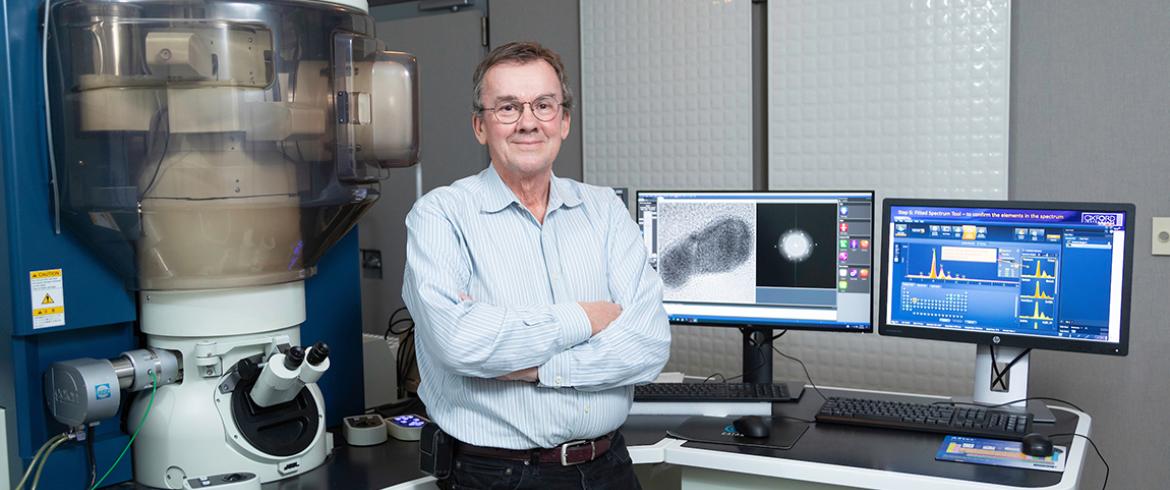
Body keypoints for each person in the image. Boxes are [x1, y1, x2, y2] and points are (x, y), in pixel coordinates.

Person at [401, 41, 671, 489]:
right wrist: (586, 317)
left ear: (564, 121)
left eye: (544, 105)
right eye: (507, 107)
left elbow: (648, 344)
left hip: (610, 469)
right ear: (480, 126)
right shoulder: (441, 216)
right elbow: (459, 344)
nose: (528, 122)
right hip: (500, 476)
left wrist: (532, 367)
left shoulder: (604, 211)